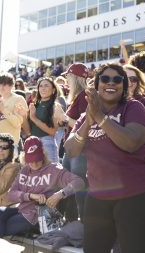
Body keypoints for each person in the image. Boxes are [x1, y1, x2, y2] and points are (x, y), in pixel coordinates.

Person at [64, 63, 145, 253]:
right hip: (98, 196)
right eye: (105, 79)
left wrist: (100, 117)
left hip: (136, 195)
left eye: (118, 79)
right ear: (96, 85)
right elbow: (71, 150)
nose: (111, 83)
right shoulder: (86, 116)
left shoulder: (133, 107)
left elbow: (131, 142)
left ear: (124, 86)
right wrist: (89, 121)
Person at [0, 136, 84, 237]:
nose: (34, 164)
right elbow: (11, 194)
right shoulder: (25, 170)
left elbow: (79, 182)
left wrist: (60, 194)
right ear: (25, 157)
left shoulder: (54, 169)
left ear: (43, 154)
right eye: (31, 160)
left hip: (40, 216)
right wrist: (31, 196)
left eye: (37, 159)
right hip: (21, 211)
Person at [62, 63, 89, 220]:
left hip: (80, 150)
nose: (66, 79)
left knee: (79, 188)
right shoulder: (77, 97)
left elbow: (85, 126)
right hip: (71, 148)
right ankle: (71, 224)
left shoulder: (84, 95)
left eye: (68, 76)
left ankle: (84, 225)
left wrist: (64, 118)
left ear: (75, 78)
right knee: (68, 188)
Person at [0, 73, 28, 172]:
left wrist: (3, 109)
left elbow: (17, 123)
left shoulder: (18, 99)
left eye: (4, 84)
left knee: (10, 176)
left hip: (10, 144)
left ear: (11, 86)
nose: (1, 87)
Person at [28, 77, 66, 163]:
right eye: (40, 86)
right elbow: (29, 130)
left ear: (53, 89)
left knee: (51, 174)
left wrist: (33, 118)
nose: (43, 88)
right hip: (32, 143)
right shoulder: (35, 105)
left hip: (47, 144)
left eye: (46, 86)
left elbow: (52, 132)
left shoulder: (55, 106)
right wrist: (23, 115)